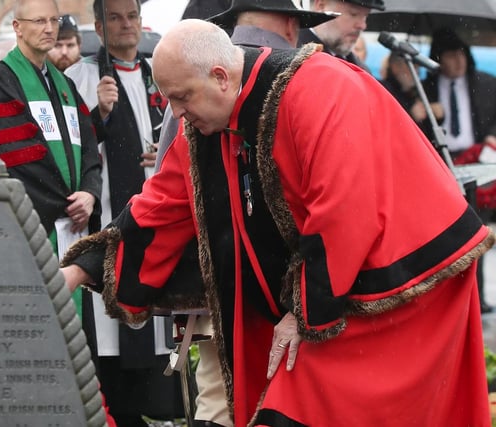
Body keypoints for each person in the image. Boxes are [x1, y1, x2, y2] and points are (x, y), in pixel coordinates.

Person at [61, 19, 495, 427]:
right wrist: (80, 269)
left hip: (407, 278)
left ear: (219, 76)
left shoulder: (320, 89)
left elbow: (344, 210)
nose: (176, 114)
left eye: (181, 98)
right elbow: (162, 202)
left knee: (312, 401)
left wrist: (300, 315)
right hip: (335, 276)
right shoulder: (211, 115)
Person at [155, 1, 334, 426]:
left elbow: (166, 190)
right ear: (292, 25)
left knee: (224, 398)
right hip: (275, 285)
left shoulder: (202, 72)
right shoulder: (291, 76)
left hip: (239, 284)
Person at [65, 0, 183, 425]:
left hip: (156, 216)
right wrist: (100, 115)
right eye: (114, 17)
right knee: (109, 336)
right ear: (99, 25)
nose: (125, 25)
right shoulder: (79, 77)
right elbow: (71, 146)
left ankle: (157, 406)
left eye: (131, 16)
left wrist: (160, 152)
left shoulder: (159, 73)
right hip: (108, 216)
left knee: (153, 332)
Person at [0, 0, 102, 320]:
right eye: (39, 21)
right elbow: (13, 158)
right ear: (17, 27)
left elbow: (89, 148)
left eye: (54, 21)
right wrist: (65, 203)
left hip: (74, 226)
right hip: (32, 227)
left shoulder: (66, 86)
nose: (49, 29)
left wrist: (89, 193)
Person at [423, 27, 496, 314]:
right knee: (443, 233)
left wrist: (492, 135)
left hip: (476, 161)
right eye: (450, 56)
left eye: (461, 54)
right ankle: (444, 299)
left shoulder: (486, 84)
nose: (457, 62)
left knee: (476, 230)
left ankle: (477, 297)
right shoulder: (425, 86)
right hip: (440, 163)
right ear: (437, 59)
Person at [297, 0, 385, 70]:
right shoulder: (294, 61)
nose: (362, 25)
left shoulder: (361, 69)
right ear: (321, 6)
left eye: (365, 16)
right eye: (353, 14)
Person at [380, 51, 444, 138]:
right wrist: (410, 116)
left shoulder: (418, 91)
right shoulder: (383, 90)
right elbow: (384, 125)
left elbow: (428, 131)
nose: (416, 72)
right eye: (410, 66)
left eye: (417, 68)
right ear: (395, 67)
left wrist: (436, 115)